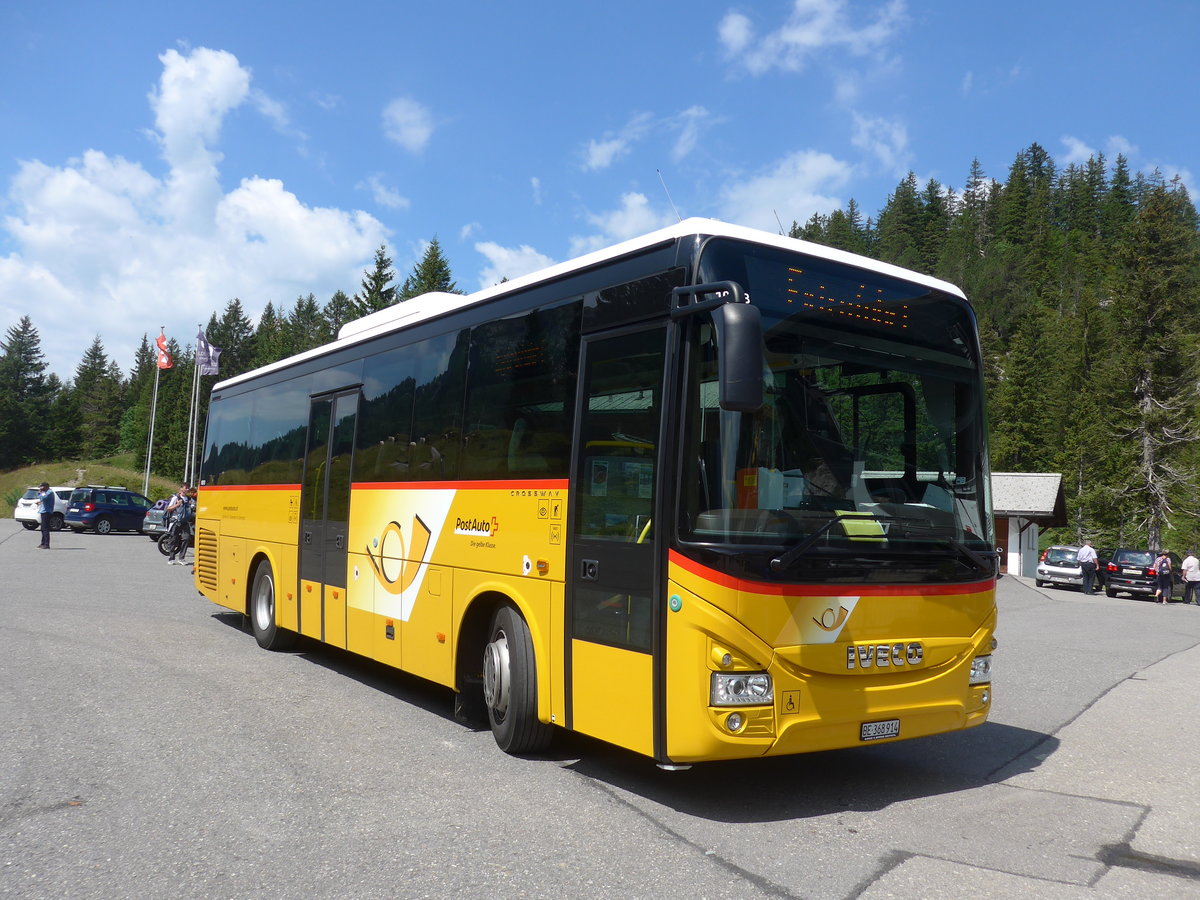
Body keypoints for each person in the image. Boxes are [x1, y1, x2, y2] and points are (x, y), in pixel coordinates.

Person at [167, 486, 195, 566]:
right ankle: (171, 558)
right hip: (176, 521)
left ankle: (181, 558)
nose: (187, 489)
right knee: (173, 539)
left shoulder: (189, 499)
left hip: (185, 521)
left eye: (187, 488)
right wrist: (177, 505)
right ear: (180, 489)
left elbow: (193, 507)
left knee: (186, 538)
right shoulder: (175, 498)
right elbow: (168, 509)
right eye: (185, 488)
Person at [36, 482, 54, 549]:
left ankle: (46, 544)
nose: (41, 488)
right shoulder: (45, 492)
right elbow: (41, 498)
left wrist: (41, 492)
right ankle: (42, 543)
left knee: (45, 529)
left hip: (47, 512)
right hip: (43, 511)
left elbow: (44, 497)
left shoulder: (49, 492)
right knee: (42, 528)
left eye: (42, 486)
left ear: (46, 486)